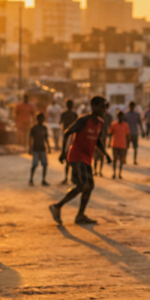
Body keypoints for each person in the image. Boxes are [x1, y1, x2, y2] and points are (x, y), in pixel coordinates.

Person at [50, 96, 111, 226]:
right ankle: (57, 206)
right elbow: (67, 132)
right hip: (77, 157)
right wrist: (63, 152)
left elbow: (98, 141)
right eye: (102, 107)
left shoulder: (100, 122)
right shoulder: (83, 120)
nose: (104, 109)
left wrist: (105, 154)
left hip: (87, 159)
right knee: (83, 185)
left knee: (89, 187)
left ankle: (80, 215)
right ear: (94, 107)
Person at [59, 99, 78, 185]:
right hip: (69, 135)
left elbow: (61, 123)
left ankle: (69, 177)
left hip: (70, 135)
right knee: (68, 158)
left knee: (70, 158)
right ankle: (68, 177)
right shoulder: (72, 114)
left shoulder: (66, 114)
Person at [29, 112, 50, 186]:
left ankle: (43, 180)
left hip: (42, 148)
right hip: (36, 148)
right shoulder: (34, 128)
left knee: (45, 165)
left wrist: (49, 147)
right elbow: (30, 139)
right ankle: (31, 179)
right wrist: (30, 148)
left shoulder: (44, 128)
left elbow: (46, 138)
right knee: (34, 165)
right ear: (38, 119)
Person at [108, 110, 130, 179]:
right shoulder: (113, 124)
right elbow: (110, 134)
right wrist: (109, 142)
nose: (121, 118)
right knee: (114, 160)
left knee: (121, 160)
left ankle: (119, 173)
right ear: (117, 116)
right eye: (119, 116)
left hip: (123, 145)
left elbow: (127, 135)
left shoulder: (126, 125)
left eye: (121, 116)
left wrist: (128, 144)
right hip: (115, 144)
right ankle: (114, 173)